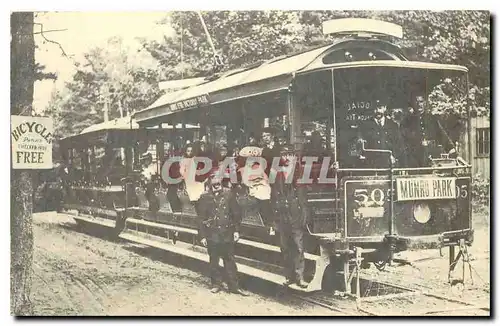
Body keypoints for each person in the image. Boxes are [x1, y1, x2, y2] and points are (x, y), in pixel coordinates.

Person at [198, 169, 249, 296]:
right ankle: (216, 284)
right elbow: (200, 218)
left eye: (218, 184)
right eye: (213, 184)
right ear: (210, 184)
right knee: (214, 260)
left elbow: (236, 214)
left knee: (230, 260)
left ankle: (234, 286)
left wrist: (236, 230)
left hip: (227, 232)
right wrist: (202, 236)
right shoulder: (204, 197)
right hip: (212, 233)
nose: (216, 186)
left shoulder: (229, 195)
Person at [270, 143, 309, 288]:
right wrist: (274, 220)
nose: (286, 157)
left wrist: (303, 215)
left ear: (294, 156)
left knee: (298, 247)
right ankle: (289, 276)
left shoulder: (299, 172)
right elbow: (273, 197)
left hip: (295, 215)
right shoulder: (276, 172)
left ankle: (300, 277)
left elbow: (303, 197)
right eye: (284, 154)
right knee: (285, 247)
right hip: (282, 215)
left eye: (289, 154)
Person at [400, 95, 457, 167]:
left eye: (421, 102)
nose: (419, 104)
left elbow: (441, 134)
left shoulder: (432, 119)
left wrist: (450, 148)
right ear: (412, 104)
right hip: (414, 160)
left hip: (431, 158)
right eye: (416, 102)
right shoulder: (406, 122)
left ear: (425, 103)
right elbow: (403, 141)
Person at [361, 99, 404, 167]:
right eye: (375, 108)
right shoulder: (366, 125)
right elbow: (362, 145)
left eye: (380, 108)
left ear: (385, 108)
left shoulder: (393, 125)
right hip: (372, 164)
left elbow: (399, 144)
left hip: (390, 164)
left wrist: (394, 157)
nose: (378, 111)